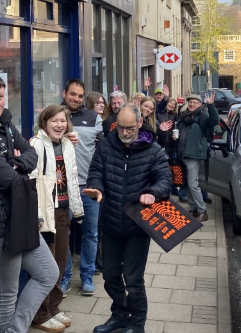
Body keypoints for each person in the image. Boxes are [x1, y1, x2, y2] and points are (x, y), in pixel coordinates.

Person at [0, 72, 59, 333]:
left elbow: (31, 154)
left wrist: (16, 163)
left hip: (20, 217)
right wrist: (16, 166)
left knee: (48, 274)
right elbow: (6, 179)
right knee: (6, 295)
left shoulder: (3, 123)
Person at [84, 103, 172, 333]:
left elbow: (165, 179)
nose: (124, 133)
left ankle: (137, 324)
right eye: (120, 127)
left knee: (133, 281)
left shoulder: (154, 150)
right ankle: (120, 316)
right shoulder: (105, 146)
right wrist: (96, 188)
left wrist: (152, 193)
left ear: (140, 123)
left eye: (129, 128)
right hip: (111, 223)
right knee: (111, 277)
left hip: (137, 227)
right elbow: (95, 173)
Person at [29, 105, 84, 333]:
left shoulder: (67, 145)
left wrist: (77, 209)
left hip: (63, 211)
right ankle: (40, 314)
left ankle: (53, 307)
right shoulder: (36, 145)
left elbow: (72, 178)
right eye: (54, 121)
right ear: (44, 123)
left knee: (61, 262)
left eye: (63, 121)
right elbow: (30, 181)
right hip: (45, 215)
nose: (59, 125)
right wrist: (36, 214)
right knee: (47, 267)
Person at [59, 79, 103, 296]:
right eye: (72, 94)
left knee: (90, 233)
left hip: (88, 185)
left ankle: (87, 275)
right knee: (63, 233)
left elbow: (103, 150)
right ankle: (65, 276)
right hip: (62, 187)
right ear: (64, 93)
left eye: (79, 95)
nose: (75, 98)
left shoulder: (93, 118)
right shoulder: (55, 116)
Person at [174, 93, 219, 223]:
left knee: (193, 184)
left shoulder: (202, 116)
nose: (192, 104)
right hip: (183, 154)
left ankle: (202, 211)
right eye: (190, 102)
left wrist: (211, 105)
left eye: (195, 102)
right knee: (186, 183)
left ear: (200, 104)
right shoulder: (184, 117)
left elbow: (214, 121)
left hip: (193, 155)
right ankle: (193, 209)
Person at [157, 98, 187, 202]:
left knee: (175, 168)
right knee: (165, 168)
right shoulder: (159, 114)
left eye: (173, 104)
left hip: (173, 145)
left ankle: (174, 188)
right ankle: (167, 190)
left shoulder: (176, 116)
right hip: (162, 145)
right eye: (170, 103)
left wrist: (176, 137)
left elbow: (179, 127)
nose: (171, 105)